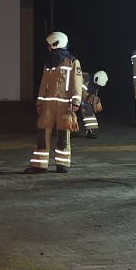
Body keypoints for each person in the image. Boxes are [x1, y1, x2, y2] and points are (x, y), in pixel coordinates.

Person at [28, 30, 83, 172]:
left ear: (56, 44)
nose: (48, 48)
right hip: (47, 104)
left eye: (50, 45)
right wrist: (39, 102)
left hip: (64, 104)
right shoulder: (48, 63)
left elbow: (77, 83)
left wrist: (76, 102)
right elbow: (43, 84)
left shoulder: (72, 61)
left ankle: (62, 164)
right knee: (42, 133)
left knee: (63, 134)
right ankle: (39, 165)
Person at [79, 70, 107, 138]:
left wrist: (96, 99)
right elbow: (81, 91)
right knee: (85, 106)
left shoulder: (95, 83)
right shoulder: (85, 79)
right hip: (73, 95)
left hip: (81, 96)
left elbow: (93, 94)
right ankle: (68, 130)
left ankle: (90, 131)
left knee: (88, 107)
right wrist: (89, 98)